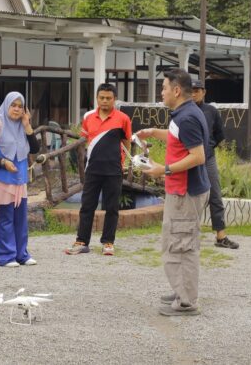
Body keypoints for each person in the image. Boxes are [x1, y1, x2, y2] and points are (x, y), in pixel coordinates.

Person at [137, 69, 210, 317]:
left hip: (185, 192)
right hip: (180, 189)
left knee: (182, 244)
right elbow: (178, 138)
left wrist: (162, 169)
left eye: (164, 87)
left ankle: (187, 301)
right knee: (175, 240)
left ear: (176, 90)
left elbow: (197, 156)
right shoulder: (184, 113)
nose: (162, 92)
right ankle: (181, 290)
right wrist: (153, 132)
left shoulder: (186, 117)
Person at [65, 84, 132, 256]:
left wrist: (121, 162)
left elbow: (126, 143)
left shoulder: (123, 119)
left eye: (108, 98)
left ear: (114, 99)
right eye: (101, 97)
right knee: (87, 206)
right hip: (93, 169)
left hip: (114, 170)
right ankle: (81, 241)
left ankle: (108, 242)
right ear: (97, 98)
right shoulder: (88, 118)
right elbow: (85, 140)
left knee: (112, 207)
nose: (104, 101)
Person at [0, 92, 40, 267]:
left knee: (21, 217)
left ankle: (22, 254)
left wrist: (27, 125)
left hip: (19, 178)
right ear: (6, 106)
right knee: (6, 217)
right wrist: (3, 162)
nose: (16, 109)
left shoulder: (23, 126)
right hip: (3, 177)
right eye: (13, 105)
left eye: (20, 106)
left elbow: (35, 148)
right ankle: (6, 256)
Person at [191, 80, 238, 249]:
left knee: (215, 196)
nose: (194, 93)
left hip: (208, 159)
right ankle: (189, 235)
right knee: (190, 197)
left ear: (204, 92)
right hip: (189, 159)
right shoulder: (183, 110)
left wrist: (208, 149)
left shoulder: (211, 111)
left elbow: (219, 135)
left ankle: (221, 236)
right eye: (191, 90)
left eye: (197, 90)